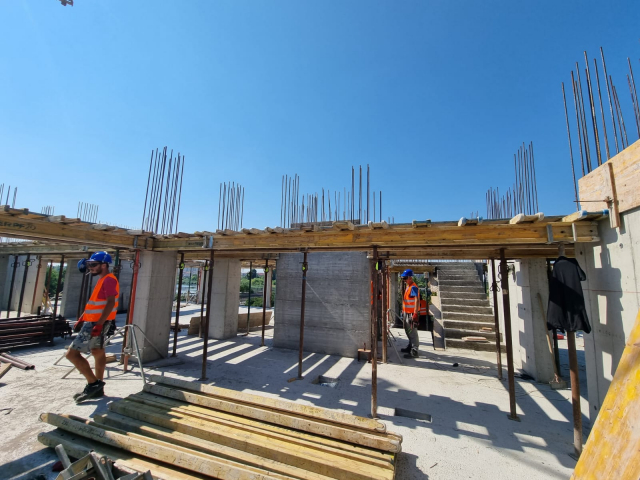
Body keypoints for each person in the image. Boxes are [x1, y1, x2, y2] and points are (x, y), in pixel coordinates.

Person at [66, 251, 119, 403]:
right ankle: (98, 388)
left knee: (71, 354)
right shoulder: (103, 280)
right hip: (95, 321)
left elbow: (110, 302)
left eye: (94, 265)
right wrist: (82, 318)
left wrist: (99, 324)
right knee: (97, 351)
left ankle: (93, 383)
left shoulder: (108, 280)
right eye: (89, 264)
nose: (90, 268)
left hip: (97, 323)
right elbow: (96, 304)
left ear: (104, 265)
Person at [400, 269, 420, 358]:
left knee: (412, 332)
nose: (404, 280)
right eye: (403, 278)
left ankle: (414, 351)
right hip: (407, 312)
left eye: (405, 278)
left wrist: (415, 313)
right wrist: (403, 310)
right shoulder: (408, 286)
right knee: (408, 331)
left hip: (411, 313)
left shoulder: (413, 287)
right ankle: (410, 346)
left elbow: (417, 300)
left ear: (410, 277)